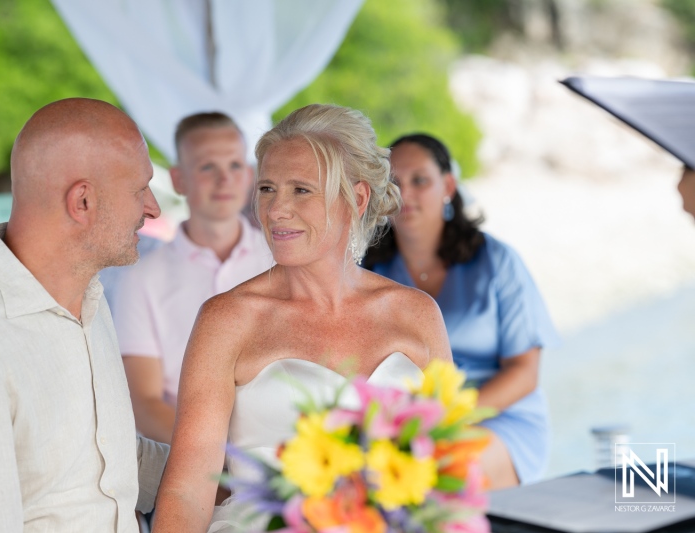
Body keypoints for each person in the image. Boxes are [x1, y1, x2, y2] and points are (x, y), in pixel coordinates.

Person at [153, 104, 453, 533]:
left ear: (358, 197)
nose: (276, 210)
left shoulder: (418, 314)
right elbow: (186, 489)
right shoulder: (226, 320)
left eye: (301, 190)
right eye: (268, 189)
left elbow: (446, 467)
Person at [0, 98, 169, 532]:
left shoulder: (89, 301)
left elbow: (100, 454)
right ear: (82, 201)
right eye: (140, 189)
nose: (153, 208)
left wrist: (244, 478)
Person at [364, 133, 559, 489]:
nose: (405, 194)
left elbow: (525, 373)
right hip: (403, 427)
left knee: (446, 469)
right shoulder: (368, 271)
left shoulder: (497, 262)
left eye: (420, 180)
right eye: (393, 182)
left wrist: (443, 423)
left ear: (448, 186)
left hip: (499, 418)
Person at [113, 112, 271, 444]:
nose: (224, 180)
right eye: (207, 167)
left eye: (235, 166)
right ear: (179, 179)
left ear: (250, 176)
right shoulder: (143, 277)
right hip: (186, 457)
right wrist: (222, 459)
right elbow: (144, 402)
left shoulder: (280, 260)